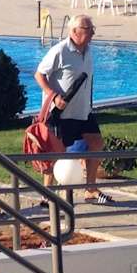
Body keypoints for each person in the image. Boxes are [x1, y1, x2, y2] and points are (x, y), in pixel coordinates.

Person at [34, 15, 110, 203]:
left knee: (96, 143)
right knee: (55, 152)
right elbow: (39, 75)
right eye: (88, 29)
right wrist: (53, 96)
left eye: (92, 29)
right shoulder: (60, 51)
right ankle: (47, 193)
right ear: (75, 31)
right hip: (61, 113)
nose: (92, 33)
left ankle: (90, 189)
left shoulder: (88, 51)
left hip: (83, 111)